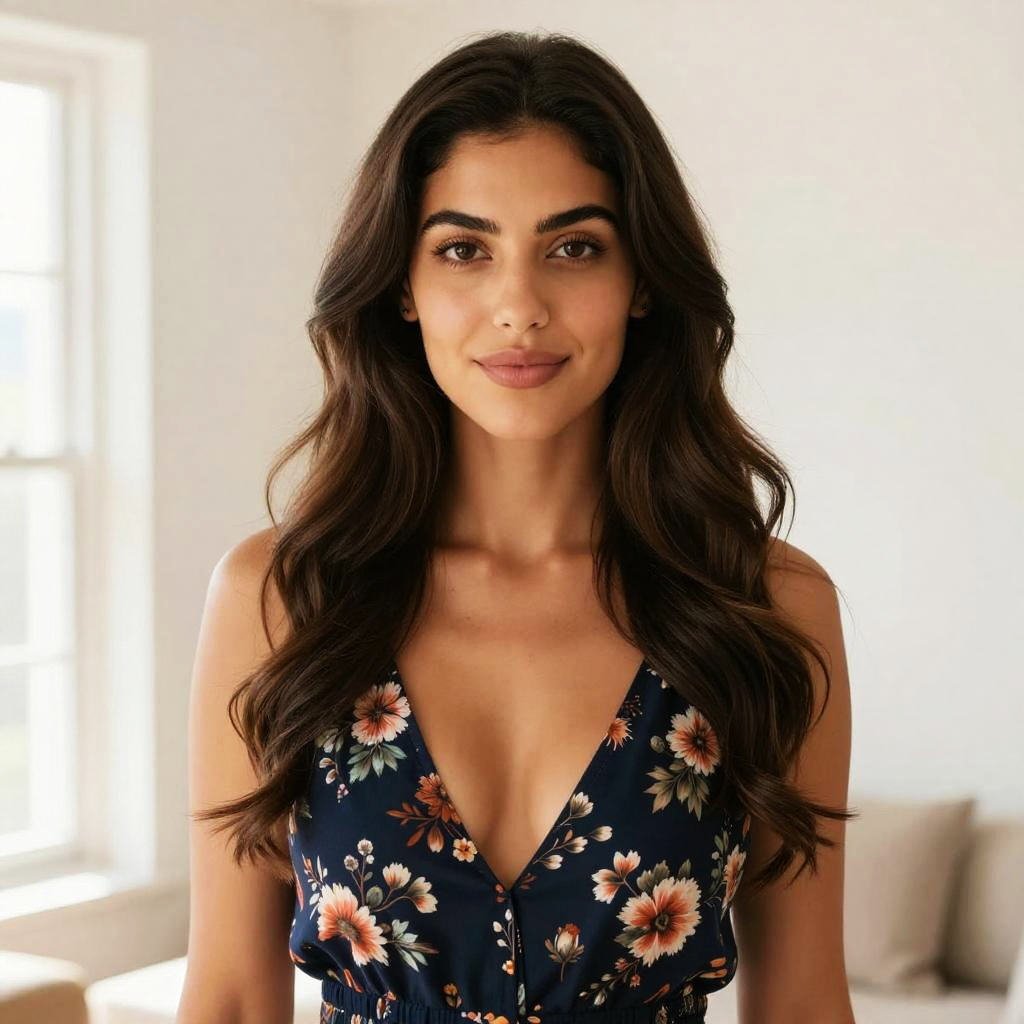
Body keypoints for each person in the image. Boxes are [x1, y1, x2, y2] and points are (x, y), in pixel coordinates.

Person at [177, 29, 856, 1024]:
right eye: (464, 249)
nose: (518, 306)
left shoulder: (766, 606)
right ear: (402, 287)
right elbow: (233, 998)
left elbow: (801, 1004)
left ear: (643, 284)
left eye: (573, 248)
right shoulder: (281, 598)